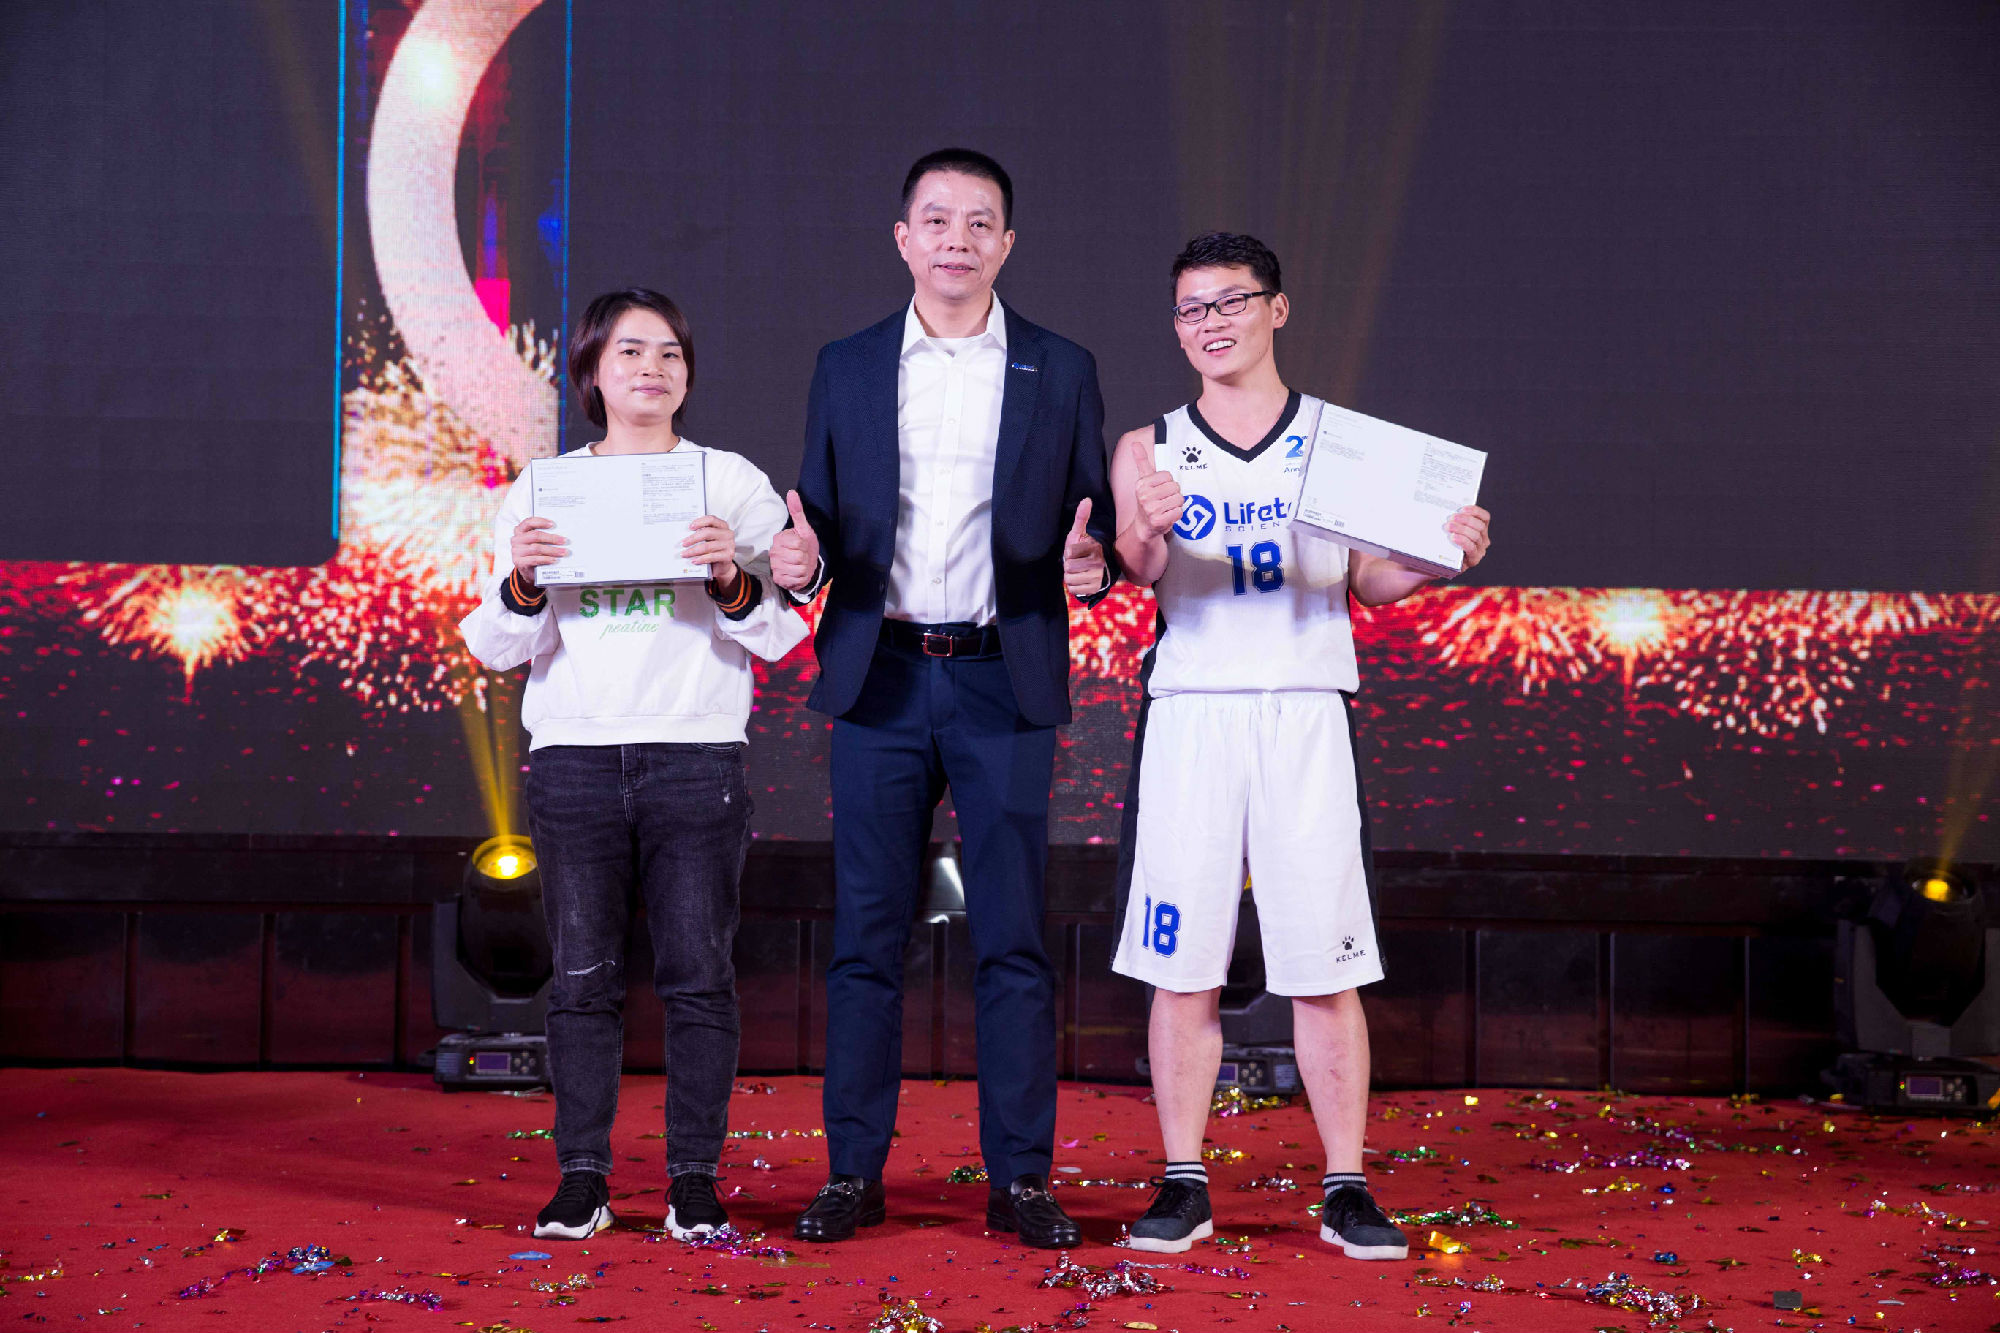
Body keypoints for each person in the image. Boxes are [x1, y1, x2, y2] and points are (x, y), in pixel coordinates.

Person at [1107, 233, 1492, 1258]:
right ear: (1176, 327)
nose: (1212, 322)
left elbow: (1368, 580)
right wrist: (1144, 528)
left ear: (1276, 309)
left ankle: (1345, 1186)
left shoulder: (1339, 442)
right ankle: (1182, 1181)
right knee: (1181, 964)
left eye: (1232, 301)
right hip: (1193, 710)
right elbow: (1137, 567)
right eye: (1192, 308)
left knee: (1325, 963)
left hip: (1305, 706)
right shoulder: (1147, 446)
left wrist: (1436, 557)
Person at [768, 149, 1118, 1248]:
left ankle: (1021, 1179)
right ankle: (851, 1174)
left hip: (1000, 679)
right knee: (865, 939)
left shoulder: (1061, 367)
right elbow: (818, 525)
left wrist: (1094, 564)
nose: (956, 239)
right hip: (878, 677)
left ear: (1007, 243)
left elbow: (1094, 524)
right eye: (936, 219)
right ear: (902, 237)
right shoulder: (847, 364)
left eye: (978, 222)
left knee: (1011, 940)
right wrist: (798, 565)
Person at [459, 288, 807, 1243]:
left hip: (697, 753)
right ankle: (583, 1177)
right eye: (630, 352)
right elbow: (495, 642)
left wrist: (732, 577)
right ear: (592, 372)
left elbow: (781, 632)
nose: (652, 368)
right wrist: (524, 580)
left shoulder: (727, 481)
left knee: (699, 974)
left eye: (669, 354)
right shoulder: (543, 489)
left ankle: (694, 1180)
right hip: (574, 757)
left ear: (688, 374)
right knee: (581, 980)